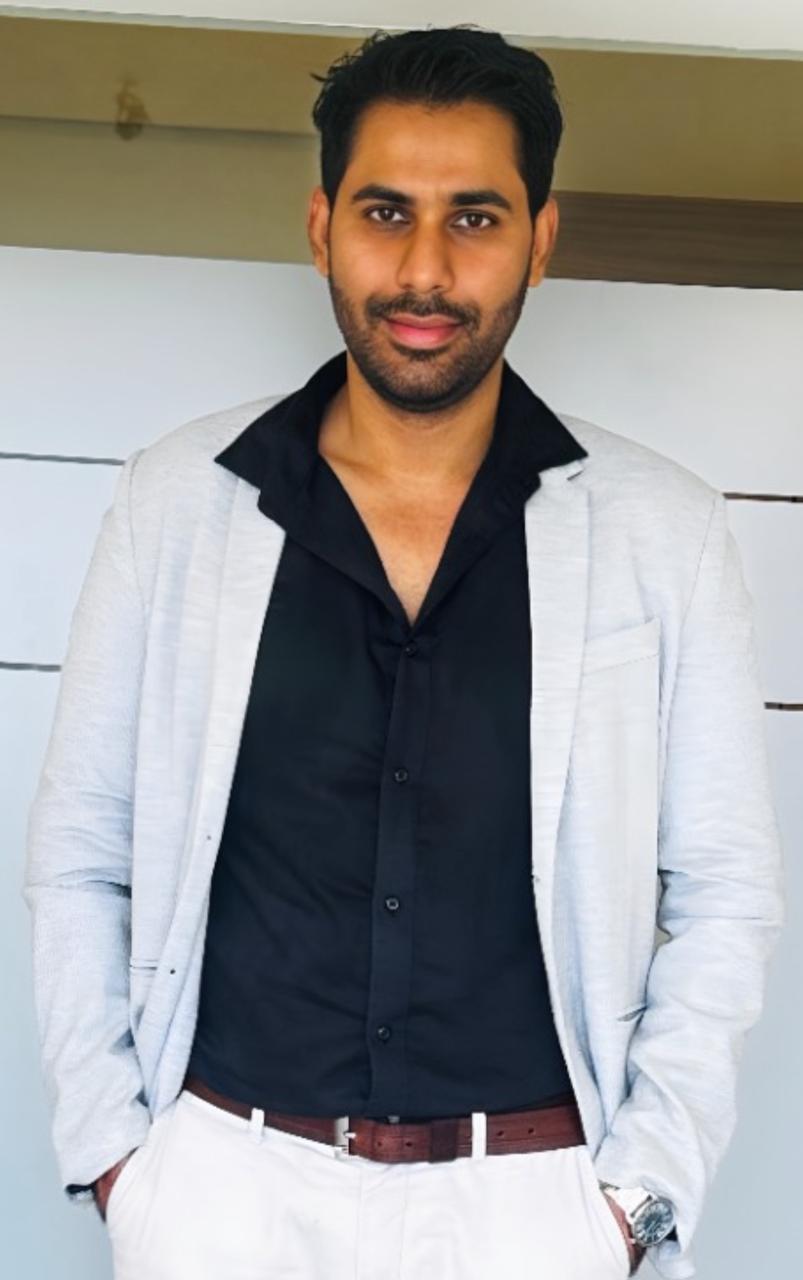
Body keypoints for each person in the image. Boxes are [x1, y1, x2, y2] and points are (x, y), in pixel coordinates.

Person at [23, 24, 784, 1280]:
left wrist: (633, 1196)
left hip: (534, 1206)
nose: (424, 270)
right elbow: (80, 850)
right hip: (222, 1191)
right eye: (386, 212)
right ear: (321, 226)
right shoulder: (177, 501)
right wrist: (119, 1156)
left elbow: (722, 890)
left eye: (473, 218)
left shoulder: (663, 529)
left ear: (540, 237)